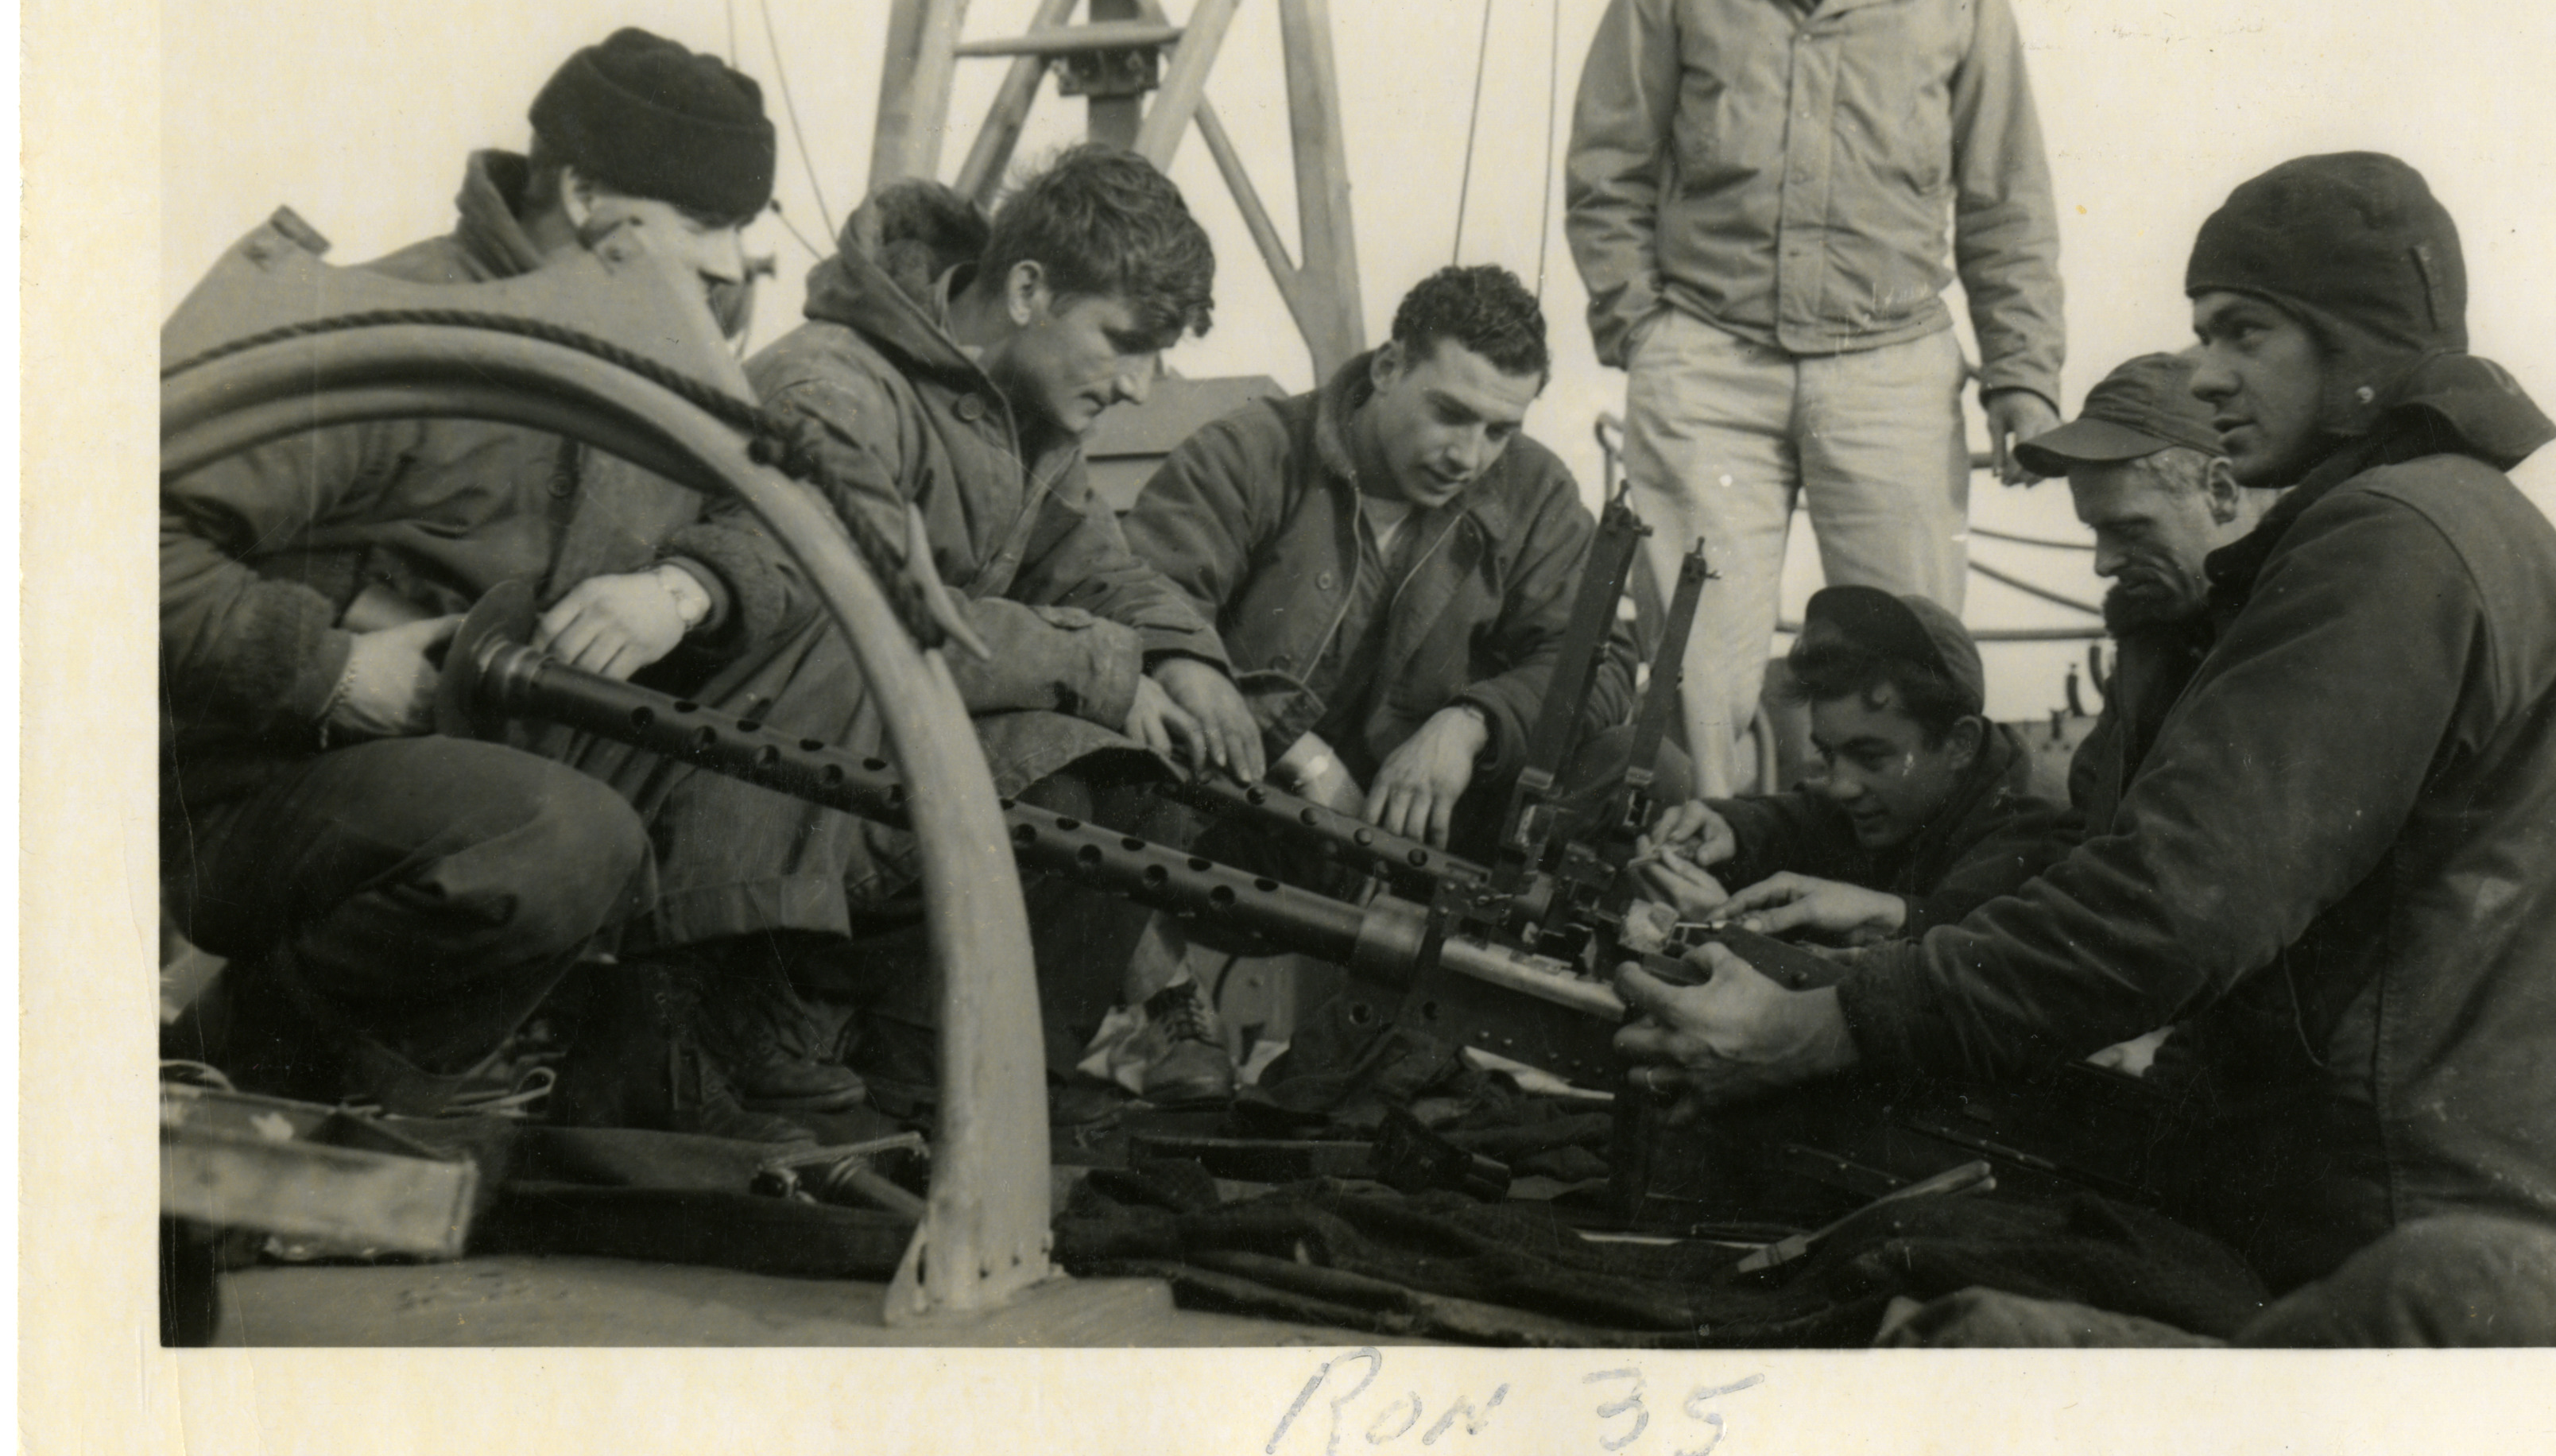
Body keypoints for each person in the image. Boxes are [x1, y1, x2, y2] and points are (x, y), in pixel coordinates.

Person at [1613, 153, 2556, 1345]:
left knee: (1923, 1334)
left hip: (2440, 1271)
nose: (2205, 371)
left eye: (2244, 332)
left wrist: (1824, 1027)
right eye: (2199, 332)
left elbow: (2178, 899)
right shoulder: (2434, 523)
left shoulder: (2392, 542)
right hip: (2452, 1232)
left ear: (2362, 342)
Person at [550, 149, 1253, 1116]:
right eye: (1125, 342)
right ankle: (730, 1006)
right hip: (715, 778)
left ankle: (931, 1086)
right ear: (1028, 289)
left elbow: (1096, 568)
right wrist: (1100, 664)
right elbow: (877, 604)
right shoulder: (834, 385)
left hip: (860, 761)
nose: (1141, 387)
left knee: (1128, 791)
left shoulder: (1028, 412)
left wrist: (1184, 660)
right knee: (856, 635)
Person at [160, 27, 776, 1114]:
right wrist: (328, 667)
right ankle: (254, 1066)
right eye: (702, 224)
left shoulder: (634, 360)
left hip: (482, 768)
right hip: (252, 794)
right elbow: (92, 542)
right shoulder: (387, 332)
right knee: (563, 835)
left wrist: (682, 589)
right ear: (586, 193)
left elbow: (788, 521)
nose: (730, 264)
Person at [1566, 0, 2065, 796]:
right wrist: (1641, 330)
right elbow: (1606, 169)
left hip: (1890, 365)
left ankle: (1904, 920)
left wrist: (2022, 380)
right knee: (1697, 681)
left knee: (1912, 670)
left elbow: (2006, 205)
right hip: (1707, 360)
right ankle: (1704, 911)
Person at [1123, 264, 1640, 858]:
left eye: (1499, 431)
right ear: (1388, 368)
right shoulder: (1252, 452)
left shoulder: (1535, 493)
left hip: (1418, 833)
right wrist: (1299, 749)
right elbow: (1148, 599)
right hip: (1229, 803)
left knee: (1635, 764)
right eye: (1449, 413)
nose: (1468, 457)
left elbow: (1600, 661)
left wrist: (1472, 724)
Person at [1629, 587, 2081, 947]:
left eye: (1870, 757)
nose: (1842, 786)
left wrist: (1727, 930)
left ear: (1960, 744)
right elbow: (1798, 818)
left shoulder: (2034, 825)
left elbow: (1965, 953)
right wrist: (1729, 828)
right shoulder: (1887, 797)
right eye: (1828, 755)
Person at [2012, 350, 2264, 833]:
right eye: (2095, 532)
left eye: (2129, 528)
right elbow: (2090, 830)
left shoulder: (2305, 629)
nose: (2102, 564)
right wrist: (1912, 911)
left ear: (2223, 491)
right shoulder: (2153, 636)